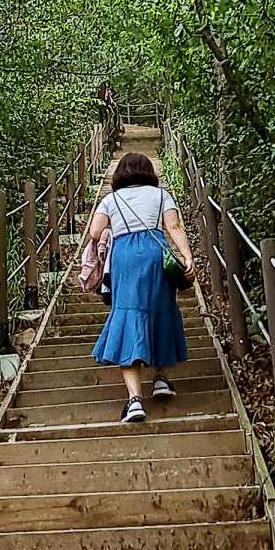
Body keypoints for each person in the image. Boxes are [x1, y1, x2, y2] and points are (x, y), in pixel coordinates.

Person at [88, 151, 195, 423]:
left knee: (128, 315)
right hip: (155, 254)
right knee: (161, 311)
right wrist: (187, 255)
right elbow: (174, 226)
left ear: (121, 174)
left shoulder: (110, 200)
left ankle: (134, 400)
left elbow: (94, 232)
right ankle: (161, 378)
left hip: (124, 256)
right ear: (149, 172)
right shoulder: (161, 196)